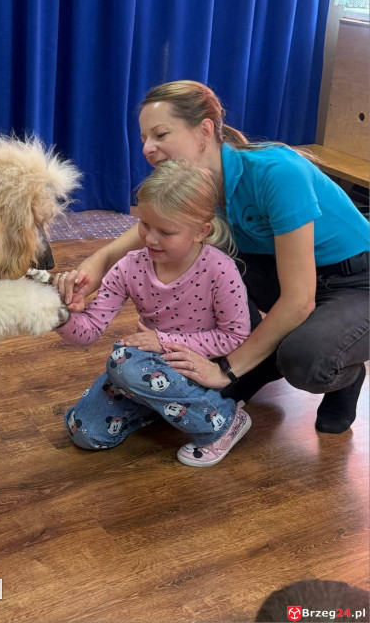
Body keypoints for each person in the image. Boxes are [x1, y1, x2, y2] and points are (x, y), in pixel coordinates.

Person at [57, 80, 369, 434]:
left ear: (205, 129)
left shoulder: (277, 172)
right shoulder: (201, 188)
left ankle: (343, 372)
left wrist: (227, 370)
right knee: (199, 251)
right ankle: (267, 355)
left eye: (160, 134)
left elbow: (299, 299)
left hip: (357, 281)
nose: (147, 148)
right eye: (143, 138)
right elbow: (158, 227)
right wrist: (99, 261)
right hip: (294, 275)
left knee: (307, 359)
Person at [54, 159, 252, 467]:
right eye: (145, 225)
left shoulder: (220, 270)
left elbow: (236, 336)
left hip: (199, 368)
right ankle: (162, 406)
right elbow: (89, 331)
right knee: (83, 431)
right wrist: (61, 312)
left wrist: (163, 341)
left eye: (166, 231)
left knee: (123, 361)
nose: (150, 239)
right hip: (149, 366)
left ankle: (225, 421)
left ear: (201, 231)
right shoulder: (130, 266)